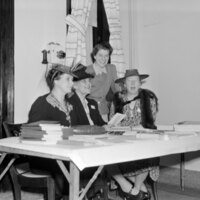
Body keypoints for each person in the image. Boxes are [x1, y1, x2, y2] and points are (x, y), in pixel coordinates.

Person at [108, 69, 159, 200]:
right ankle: (141, 191)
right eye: (129, 81)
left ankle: (135, 190)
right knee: (109, 158)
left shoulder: (149, 98)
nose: (132, 83)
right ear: (124, 84)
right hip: (122, 139)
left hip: (142, 138)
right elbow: (112, 122)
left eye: (135, 80)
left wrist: (135, 128)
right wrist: (119, 128)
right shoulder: (118, 99)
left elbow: (150, 121)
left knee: (148, 155)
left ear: (140, 83)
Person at [28, 63, 76, 200]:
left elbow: (75, 131)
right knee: (71, 169)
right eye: (68, 79)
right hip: (45, 158)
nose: (72, 83)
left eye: (72, 80)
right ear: (56, 80)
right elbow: (32, 133)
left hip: (67, 154)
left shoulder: (71, 105)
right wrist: (60, 133)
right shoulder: (42, 103)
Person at [86, 42, 120, 122]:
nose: (103, 59)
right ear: (94, 56)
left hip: (103, 109)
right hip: (88, 108)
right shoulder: (87, 70)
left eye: (106, 56)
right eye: (100, 55)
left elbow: (117, 88)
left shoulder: (111, 69)